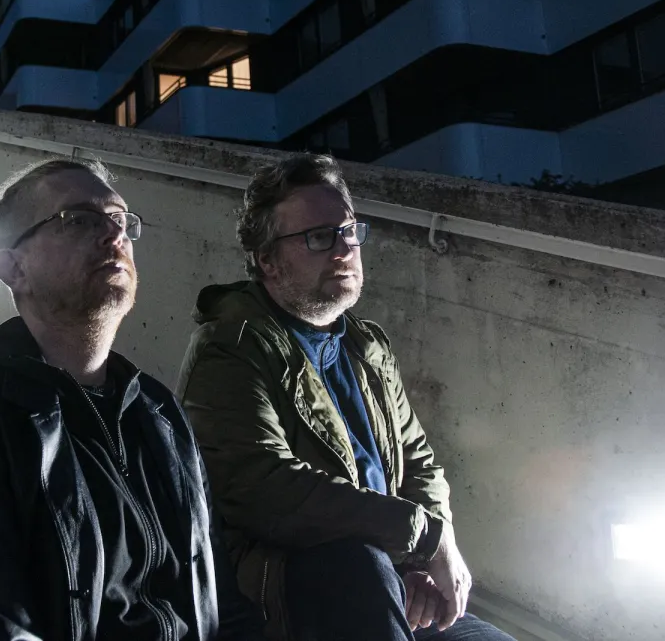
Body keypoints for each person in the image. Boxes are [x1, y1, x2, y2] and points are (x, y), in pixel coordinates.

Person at [0, 158, 264, 641]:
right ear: (13, 268)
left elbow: (221, 603)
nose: (114, 236)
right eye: (80, 220)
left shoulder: (160, 410)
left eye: (121, 220)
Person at [178, 154, 514, 641]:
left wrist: (422, 556)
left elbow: (420, 463)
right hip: (289, 591)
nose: (342, 249)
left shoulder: (366, 344)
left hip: (389, 575)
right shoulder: (232, 345)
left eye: (349, 231)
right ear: (267, 260)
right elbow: (266, 490)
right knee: (354, 565)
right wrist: (421, 535)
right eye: (318, 237)